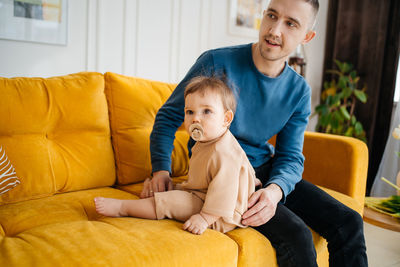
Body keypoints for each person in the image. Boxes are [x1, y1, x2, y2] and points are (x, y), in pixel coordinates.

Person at [143, 0, 368, 266]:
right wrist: (161, 169)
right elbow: (169, 116)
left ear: (307, 36)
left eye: (291, 24)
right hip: (224, 174)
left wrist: (274, 191)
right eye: (272, 16)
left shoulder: (298, 91)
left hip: (265, 170)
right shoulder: (216, 62)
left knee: (349, 222)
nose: (275, 30)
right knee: (296, 234)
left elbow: (291, 157)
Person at [95, 76, 261, 235]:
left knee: (170, 202)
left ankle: (122, 208)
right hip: (204, 193)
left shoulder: (224, 152)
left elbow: (224, 194)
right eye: (190, 112)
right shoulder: (208, 139)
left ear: (226, 118)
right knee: (175, 189)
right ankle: (157, 193)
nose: (195, 118)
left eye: (206, 111)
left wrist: (204, 218)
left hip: (222, 215)